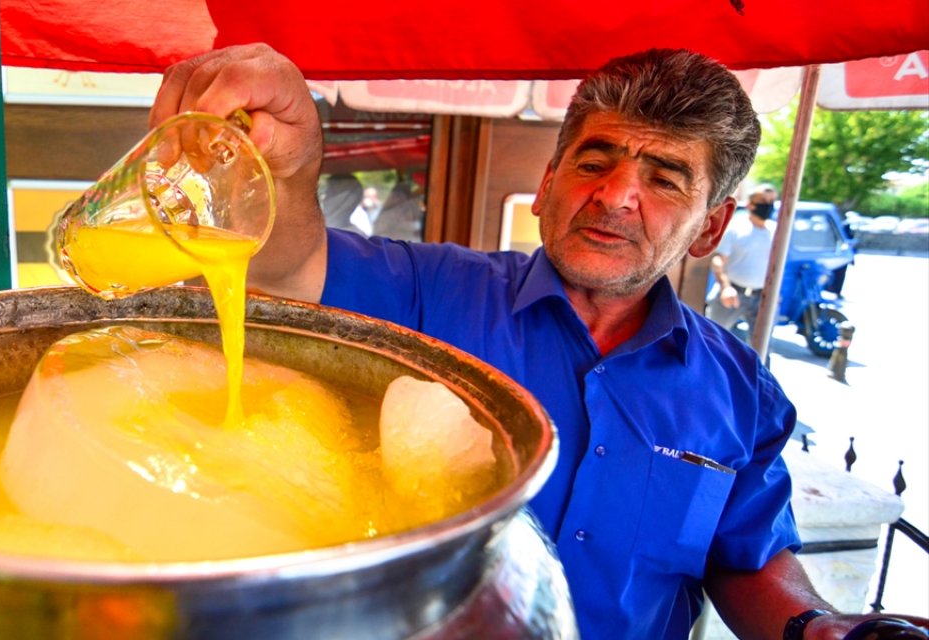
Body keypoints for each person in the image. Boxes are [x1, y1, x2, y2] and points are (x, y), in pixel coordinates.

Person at [148, 44, 929, 639]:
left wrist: (814, 625)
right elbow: (287, 266)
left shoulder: (740, 392)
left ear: (711, 227)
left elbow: (746, 556)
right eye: (595, 159)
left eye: (664, 178)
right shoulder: (428, 291)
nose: (615, 195)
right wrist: (286, 176)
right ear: (550, 182)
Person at [707, 184, 779, 340]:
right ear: (750, 204)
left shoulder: (777, 231)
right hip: (733, 294)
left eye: (771, 201)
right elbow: (718, 260)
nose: (768, 205)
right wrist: (726, 287)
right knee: (712, 339)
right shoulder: (735, 228)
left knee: (761, 345)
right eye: (763, 201)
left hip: (762, 297)